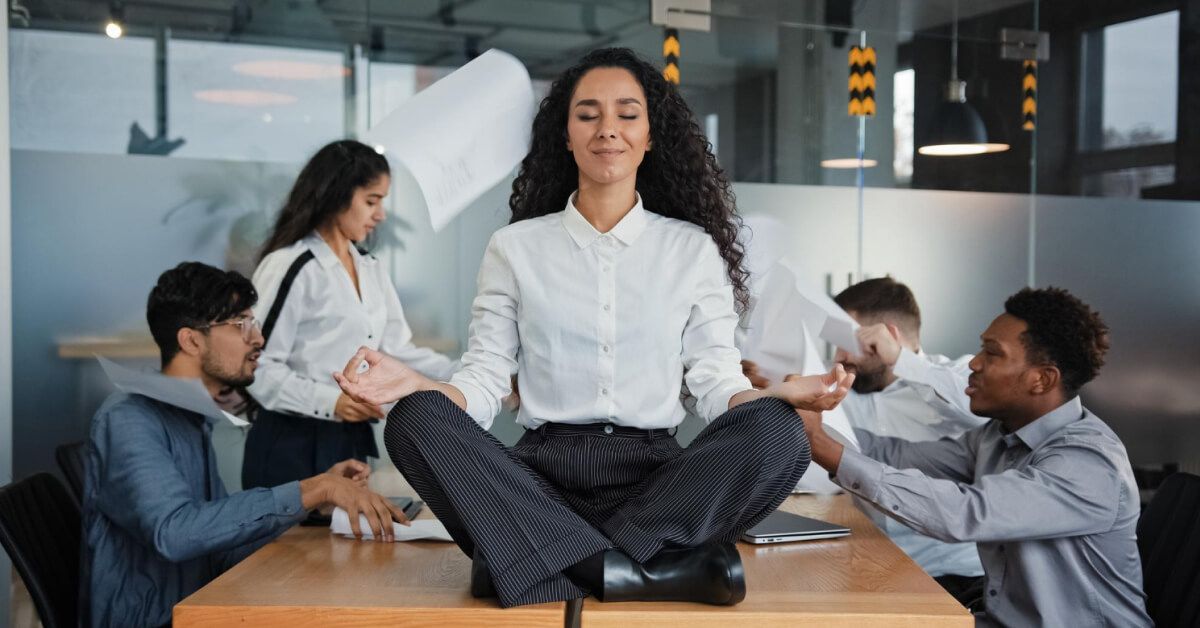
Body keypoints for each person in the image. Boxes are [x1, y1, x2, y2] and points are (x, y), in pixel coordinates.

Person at [332, 47, 853, 609]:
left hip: (657, 483)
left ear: (651, 136)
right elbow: (482, 385)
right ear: (566, 135)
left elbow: (716, 385)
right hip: (539, 484)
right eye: (588, 115)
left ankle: (539, 563)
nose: (609, 130)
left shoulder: (691, 250)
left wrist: (777, 394)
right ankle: (636, 572)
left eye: (627, 114)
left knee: (778, 430)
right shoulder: (515, 248)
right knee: (414, 420)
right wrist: (411, 384)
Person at [797, 287, 1151, 627]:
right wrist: (800, 419)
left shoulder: (1086, 463)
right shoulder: (998, 436)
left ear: (1042, 379)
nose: (975, 364)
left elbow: (963, 512)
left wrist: (825, 447)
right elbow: (896, 454)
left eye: (992, 354)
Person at [82, 262, 406, 628]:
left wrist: (315, 501)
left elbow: (215, 541)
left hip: (198, 608)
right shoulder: (130, 419)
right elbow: (175, 533)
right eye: (242, 325)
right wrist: (312, 489)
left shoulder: (190, 417)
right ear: (191, 340)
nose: (258, 339)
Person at [242, 139, 457, 490]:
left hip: (350, 439)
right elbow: (257, 366)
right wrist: (333, 402)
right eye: (371, 201)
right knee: (298, 547)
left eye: (382, 201)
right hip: (293, 444)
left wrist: (467, 373)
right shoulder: (293, 265)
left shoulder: (370, 268)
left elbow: (395, 352)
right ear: (336, 195)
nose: (381, 214)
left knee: (351, 544)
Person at [832, 278, 987, 604]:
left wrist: (901, 360)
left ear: (887, 335)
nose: (839, 355)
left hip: (957, 576)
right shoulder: (848, 387)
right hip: (875, 565)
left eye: (846, 341)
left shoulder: (959, 377)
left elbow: (981, 410)